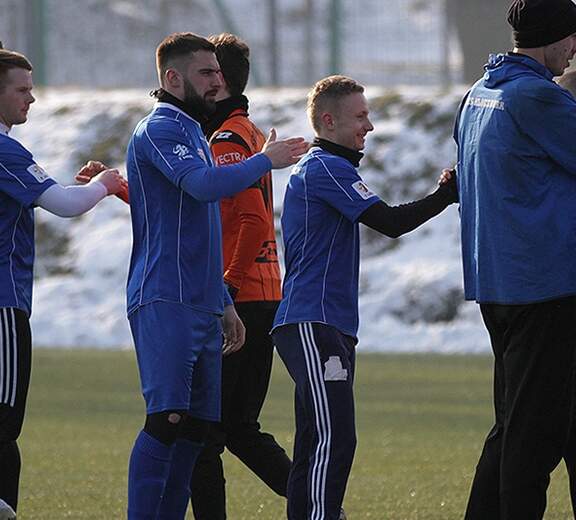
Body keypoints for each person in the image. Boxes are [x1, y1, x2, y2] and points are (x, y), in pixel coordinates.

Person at [124, 32, 306, 520]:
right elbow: (204, 188)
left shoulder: (194, 132)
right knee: (168, 420)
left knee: (200, 430)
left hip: (205, 302)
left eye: (218, 73)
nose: (216, 81)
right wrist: (264, 160)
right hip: (165, 296)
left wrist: (224, 303)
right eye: (205, 73)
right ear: (172, 78)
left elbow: (203, 222)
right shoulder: (159, 128)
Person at [271, 75, 458, 520]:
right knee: (334, 437)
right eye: (360, 116)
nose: (369, 126)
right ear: (328, 121)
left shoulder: (331, 168)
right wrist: (446, 195)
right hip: (312, 321)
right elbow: (390, 222)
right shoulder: (325, 168)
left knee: (316, 440)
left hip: (323, 323)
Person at [453, 1, 576, 518]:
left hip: (498, 281)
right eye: (571, 37)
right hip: (545, 287)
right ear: (553, 38)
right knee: (534, 436)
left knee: (514, 425)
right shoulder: (537, 97)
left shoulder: (479, 93)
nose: (574, 49)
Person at [0, 49, 126, 520]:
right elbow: (65, 204)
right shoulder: (6, 152)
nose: (31, 98)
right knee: (4, 423)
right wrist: (106, 184)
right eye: (22, 89)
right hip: (3, 303)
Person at [189, 33, 291, 520]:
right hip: (261, 292)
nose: (201, 81)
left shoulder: (227, 139)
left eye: (207, 72)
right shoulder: (245, 132)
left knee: (205, 435)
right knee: (237, 428)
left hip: (243, 297)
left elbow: (251, 219)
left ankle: (319, 503)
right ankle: (319, 504)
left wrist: (226, 288)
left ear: (219, 82)